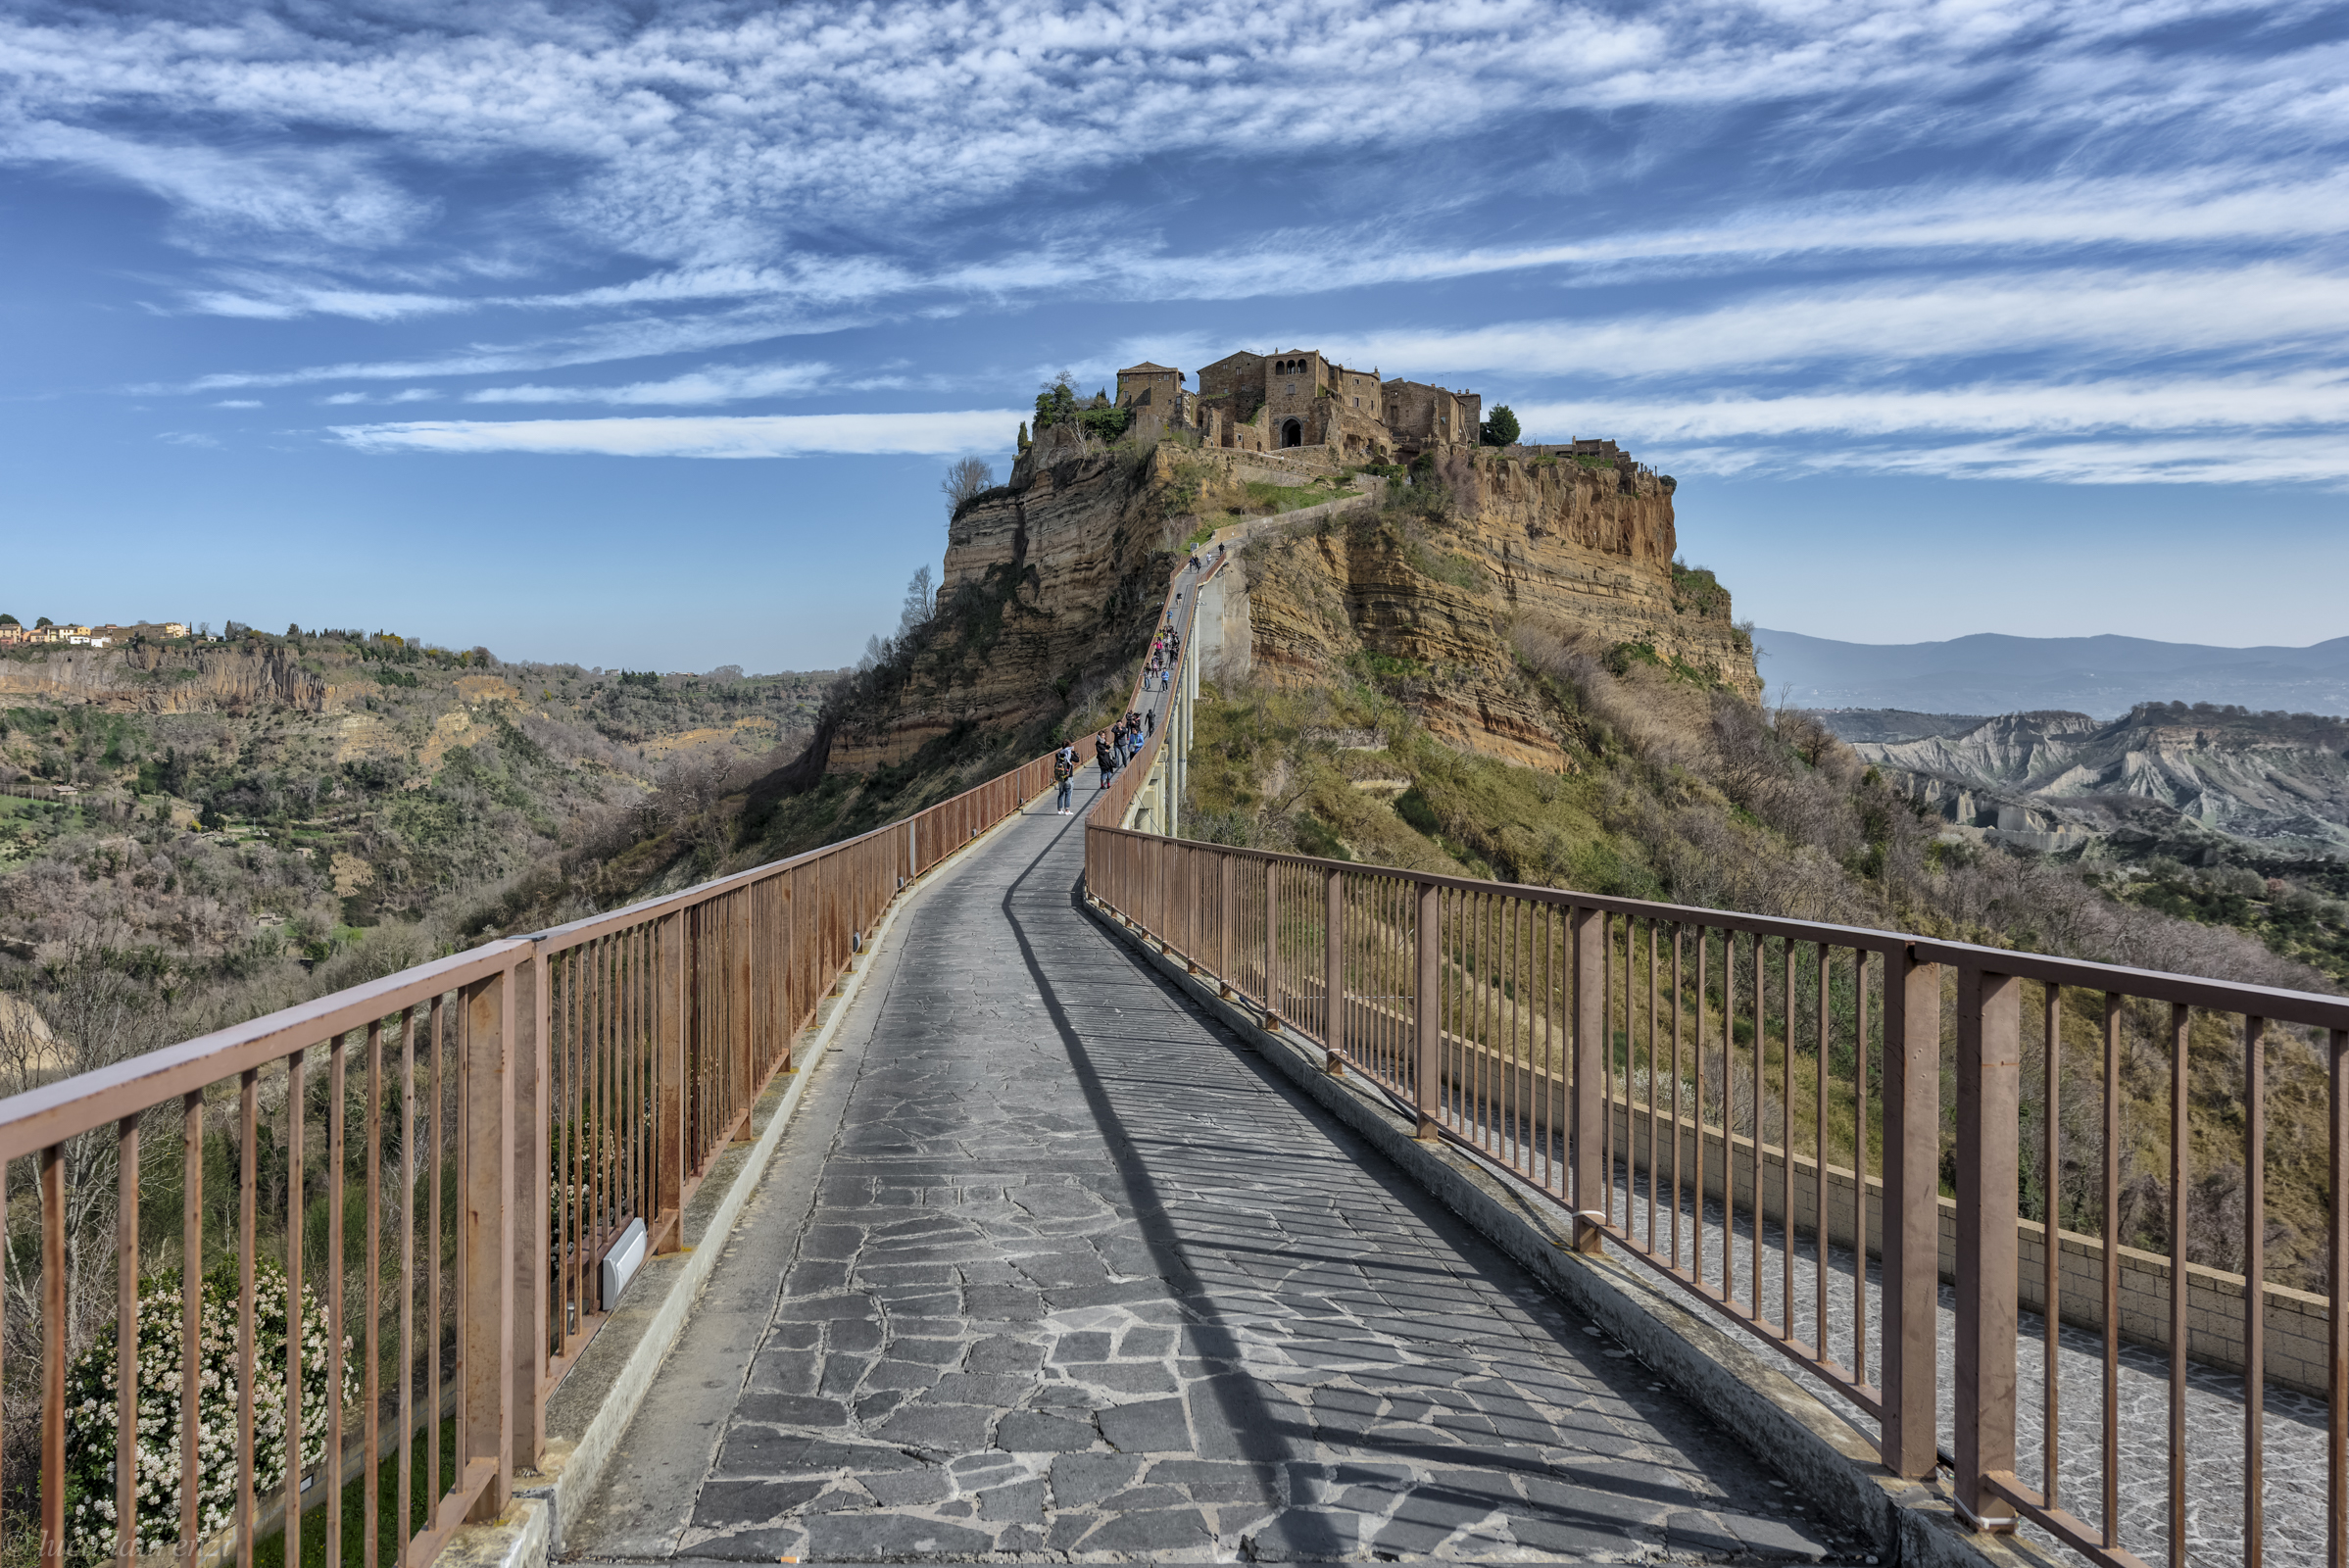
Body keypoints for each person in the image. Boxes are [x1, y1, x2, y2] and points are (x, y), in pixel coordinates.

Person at [1052, 744, 1074, 814]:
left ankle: (1059, 810)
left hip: (1060, 776)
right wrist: (1074, 752)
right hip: (1068, 776)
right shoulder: (1069, 754)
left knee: (1061, 793)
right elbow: (1077, 759)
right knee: (1068, 792)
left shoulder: (1059, 755)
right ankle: (1067, 810)